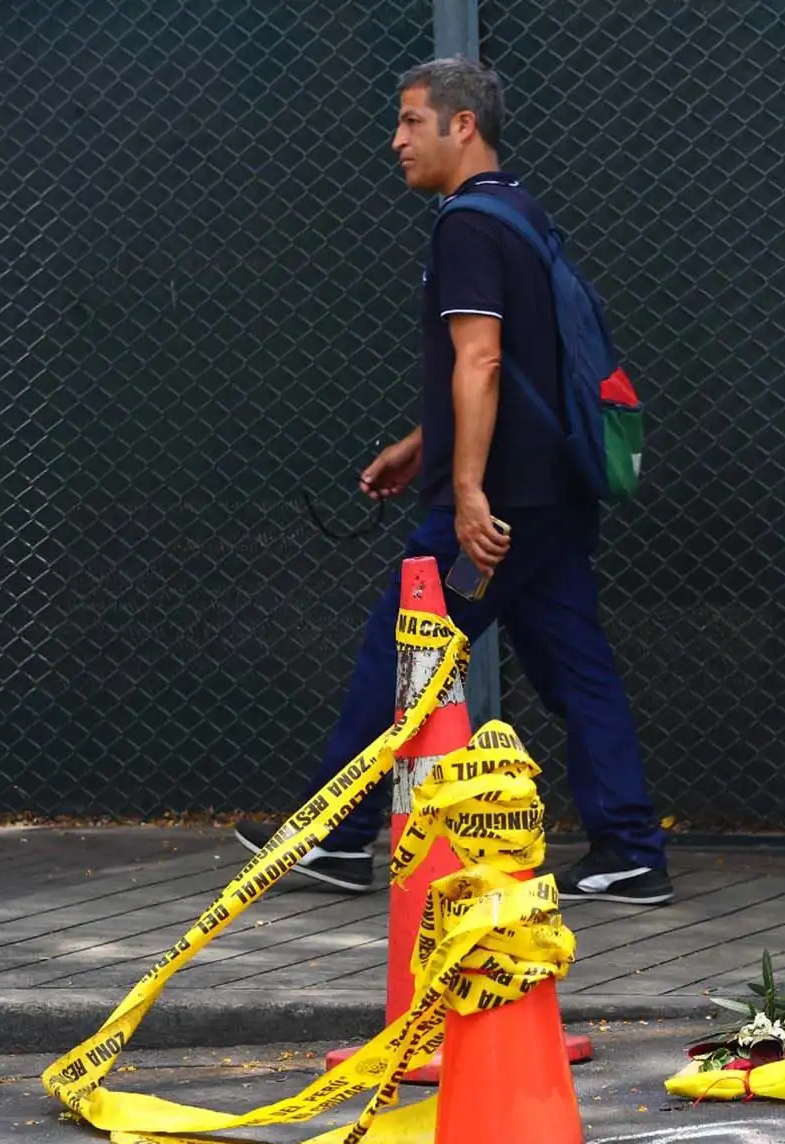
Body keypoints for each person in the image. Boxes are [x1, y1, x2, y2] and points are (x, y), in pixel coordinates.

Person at [235, 57, 671, 905]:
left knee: (402, 650)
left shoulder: (466, 226)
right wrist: (422, 443)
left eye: (410, 121)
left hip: (496, 506)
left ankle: (335, 835)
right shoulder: (521, 215)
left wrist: (465, 490)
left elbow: (483, 357)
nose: (396, 140)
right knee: (577, 666)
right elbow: (514, 370)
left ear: (461, 125)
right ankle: (631, 850)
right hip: (550, 494)